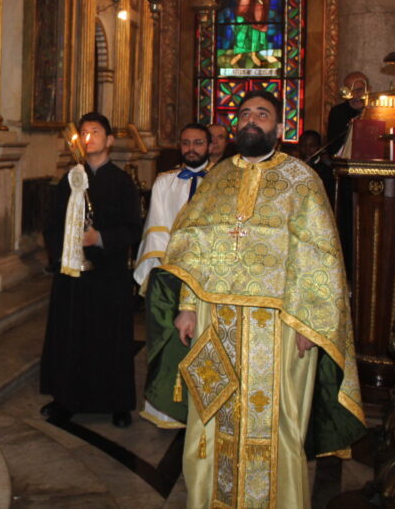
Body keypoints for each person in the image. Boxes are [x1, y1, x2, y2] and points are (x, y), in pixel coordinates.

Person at [151, 91, 365, 508]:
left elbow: (318, 254)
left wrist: (311, 323)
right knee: (213, 414)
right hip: (217, 319)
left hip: (280, 325)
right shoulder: (217, 178)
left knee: (278, 422)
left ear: (279, 128)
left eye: (262, 114)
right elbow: (194, 247)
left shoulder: (301, 179)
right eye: (245, 113)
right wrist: (188, 308)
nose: (251, 120)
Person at [41, 112, 142, 428]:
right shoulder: (70, 179)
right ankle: (67, 399)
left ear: (109, 140)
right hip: (73, 275)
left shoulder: (122, 183)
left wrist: (99, 238)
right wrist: (64, 252)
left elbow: (134, 228)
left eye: (95, 131)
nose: (88, 137)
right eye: (84, 132)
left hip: (108, 275)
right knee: (71, 336)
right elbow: (52, 224)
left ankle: (117, 403)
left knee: (110, 339)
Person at [134, 122, 210, 429]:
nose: (191, 148)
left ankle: (203, 409)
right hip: (170, 276)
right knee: (168, 343)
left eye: (198, 143)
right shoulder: (165, 182)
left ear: (209, 146)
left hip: (206, 277)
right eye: (186, 142)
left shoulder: (221, 182)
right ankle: (164, 408)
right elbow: (156, 228)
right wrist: (166, 271)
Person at [326, 71, 368, 155]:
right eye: (350, 91)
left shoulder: (377, 111)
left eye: (359, 90)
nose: (354, 95)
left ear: (369, 89)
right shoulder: (338, 112)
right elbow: (333, 146)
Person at [297, 129, 335, 205]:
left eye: (312, 146)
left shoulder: (326, 170)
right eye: (304, 145)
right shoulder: (294, 167)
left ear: (319, 147)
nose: (307, 149)